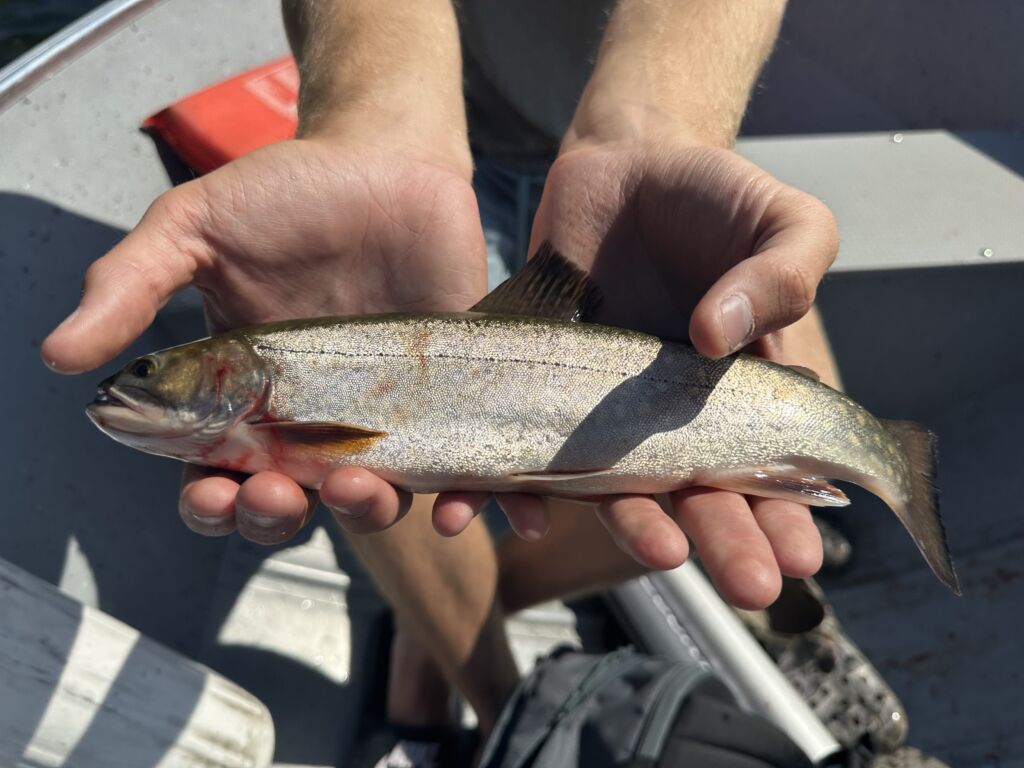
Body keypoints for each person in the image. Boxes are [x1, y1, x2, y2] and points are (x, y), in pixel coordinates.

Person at [41, 0, 840, 764]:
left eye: (153, 369)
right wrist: (373, 123)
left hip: (666, 173)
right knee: (377, 487)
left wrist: (664, 125)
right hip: (431, 158)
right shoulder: (266, 393)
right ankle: (492, 695)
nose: (142, 377)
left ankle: (448, 630)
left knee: (756, 470)